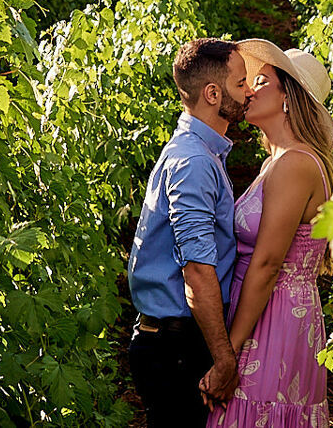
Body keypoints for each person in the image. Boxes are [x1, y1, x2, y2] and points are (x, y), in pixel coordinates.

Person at [202, 39, 333, 428]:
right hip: (268, 310)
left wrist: (227, 351)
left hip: (274, 317)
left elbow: (266, 263)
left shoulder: (295, 164)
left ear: (288, 97)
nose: (248, 89)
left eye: (260, 81)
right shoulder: (277, 161)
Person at [128, 38, 251, 427]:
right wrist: (223, 357)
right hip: (175, 346)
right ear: (213, 94)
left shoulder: (199, 152)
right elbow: (196, 270)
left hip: (175, 340)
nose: (249, 92)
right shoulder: (194, 162)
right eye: (241, 83)